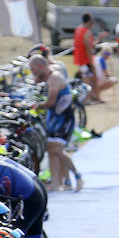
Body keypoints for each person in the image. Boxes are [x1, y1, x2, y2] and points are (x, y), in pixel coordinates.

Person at [27, 55, 80, 191]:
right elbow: (40, 78)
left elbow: (51, 102)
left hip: (63, 119)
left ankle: (77, 176)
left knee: (57, 150)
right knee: (51, 150)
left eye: (33, 70)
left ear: (40, 66)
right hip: (56, 118)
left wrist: (38, 106)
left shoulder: (55, 78)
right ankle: (58, 183)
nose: (33, 73)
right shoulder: (51, 76)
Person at [71, 13, 97, 94]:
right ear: (89, 21)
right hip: (85, 60)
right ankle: (88, 99)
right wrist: (91, 63)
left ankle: (91, 98)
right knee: (87, 80)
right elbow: (88, 49)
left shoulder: (78, 29)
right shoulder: (86, 32)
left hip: (79, 59)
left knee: (85, 79)